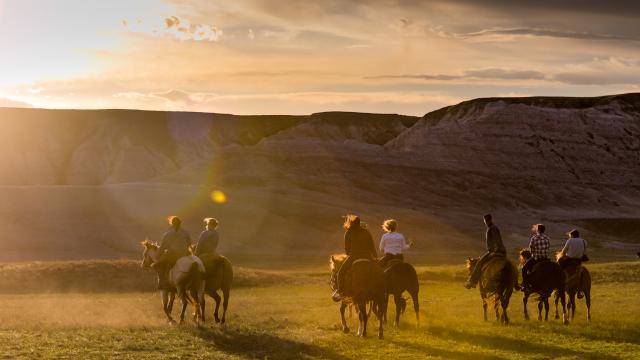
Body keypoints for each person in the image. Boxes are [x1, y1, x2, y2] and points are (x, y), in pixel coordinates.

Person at [332, 214, 377, 302]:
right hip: (367, 256)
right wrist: (375, 257)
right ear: (359, 223)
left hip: (354, 257)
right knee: (379, 271)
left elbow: (347, 250)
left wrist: (351, 253)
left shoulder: (348, 233)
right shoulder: (366, 232)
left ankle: (340, 291)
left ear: (350, 222)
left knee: (340, 273)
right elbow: (372, 246)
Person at [464, 214, 506, 289]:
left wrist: (495, 250)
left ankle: (472, 282)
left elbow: (497, 240)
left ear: (489, 220)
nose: (486, 222)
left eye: (486, 221)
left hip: (494, 251)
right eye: (485, 221)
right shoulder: (493, 228)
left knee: (479, 263)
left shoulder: (492, 228)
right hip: (502, 251)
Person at [151, 216, 191, 288]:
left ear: (171, 223)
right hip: (185, 254)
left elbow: (163, 246)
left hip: (172, 255)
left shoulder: (168, 234)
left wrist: (157, 255)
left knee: (159, 265)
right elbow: (189, 243)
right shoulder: (186, 233)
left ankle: (163, 284)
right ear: (180, 223)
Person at [519, 224, 551, 291]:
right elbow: (548, 247)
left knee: (524, 269)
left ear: (538, 230)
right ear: (543, 230)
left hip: (536, 258)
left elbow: (531, 248)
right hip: (545, 259)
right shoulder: (547, 238)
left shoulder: (534, 238)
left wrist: (534, 253)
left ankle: (526, 285)